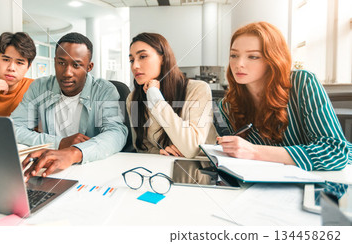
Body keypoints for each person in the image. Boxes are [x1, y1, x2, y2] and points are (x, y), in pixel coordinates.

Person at [217, 22, 351, 171]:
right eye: (234, 55)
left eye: (253, 56)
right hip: (272, 183)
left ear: (272, 59)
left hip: (333, 177)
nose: (238, 64)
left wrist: (255, 152)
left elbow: (335, 153)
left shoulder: (302, 83)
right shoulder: (228, 105)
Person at [11, 32, 127, 180]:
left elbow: (117, 133)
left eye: (76, 65)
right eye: (61, 63)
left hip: (91, 170)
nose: (67, 72)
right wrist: (59, 143)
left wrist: (74, 152)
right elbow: (14, 128)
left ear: (89, 67)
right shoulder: (39, 87)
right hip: (49, 170)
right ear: (54, 62)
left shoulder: (104, 90)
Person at [126, 33, 217, 158]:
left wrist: (156, 99)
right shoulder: (133, 98)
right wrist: (161, 152)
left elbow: (191, 148)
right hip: (162, 165)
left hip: (202, 167)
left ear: (163, 59)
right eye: (131, 60)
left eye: (143, 56)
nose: (135, 66)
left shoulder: (198, 89)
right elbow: (141, 145)